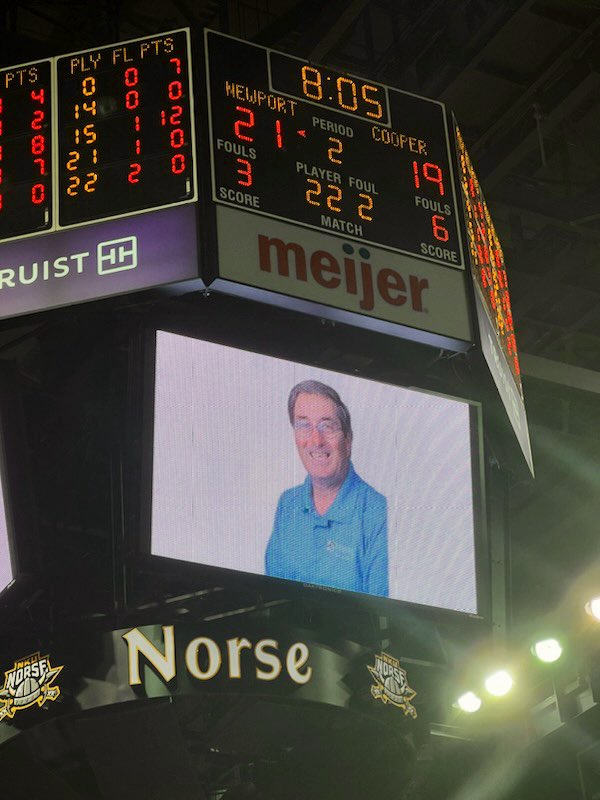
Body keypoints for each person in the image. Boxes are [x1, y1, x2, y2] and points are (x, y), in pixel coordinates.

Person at [265, 380, 388, 596]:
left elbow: (383, 614)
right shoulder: (288, 504)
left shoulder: (378, 513)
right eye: (304, 425)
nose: (316, 440)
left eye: (327, 426)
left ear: (348, 440)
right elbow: (271, 595)